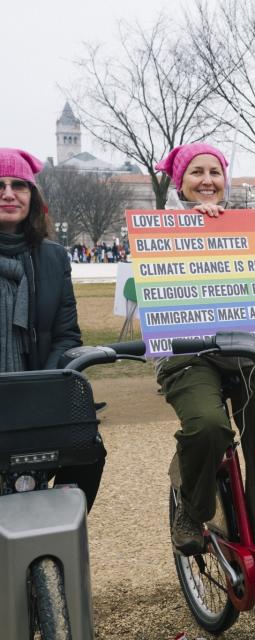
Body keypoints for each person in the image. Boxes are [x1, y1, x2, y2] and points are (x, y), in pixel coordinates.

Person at [154, 143, 255, 557]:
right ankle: (193, 509)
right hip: (189, 354)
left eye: (215, 172)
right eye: (197, 172)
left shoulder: (247, 227)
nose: (208, 180)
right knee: (208, 427)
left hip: (244, 349)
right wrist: (186, 232)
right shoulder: (159, 228)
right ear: (181, 182)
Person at [0, 148, 99, 506]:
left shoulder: (53, 257)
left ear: (32, 196)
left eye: (18, 186)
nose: (8, 193)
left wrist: (39, 386)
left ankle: (55, 531)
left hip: (38, 391)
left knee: (90, 451)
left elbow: (67, 336)